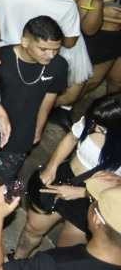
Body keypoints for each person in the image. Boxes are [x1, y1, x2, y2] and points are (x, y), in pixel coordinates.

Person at [0, 16, 68, 228]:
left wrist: (38, 129)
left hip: (21, 132)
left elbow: (48, 100)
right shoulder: (0, 58)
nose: (51, 55)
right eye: (44, 49)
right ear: (25, 41)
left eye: (56, 49)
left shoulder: (58, 66)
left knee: (3, 177)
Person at [14, 95, 121, 259]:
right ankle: (18, 260)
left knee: (65, 253)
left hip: (94, 199)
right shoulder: (98, 118)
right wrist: (52, 166)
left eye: (103, 129)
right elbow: (72, 137)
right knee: (32, 229)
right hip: (64, 178)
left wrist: (82, 193)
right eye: (93, 121)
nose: (94, 127)